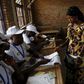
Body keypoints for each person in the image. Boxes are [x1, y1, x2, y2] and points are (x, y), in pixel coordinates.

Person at [55, 6, 84, 84]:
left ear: (76, 16)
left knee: (80, 77)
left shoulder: (83, 27)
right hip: (69, 55)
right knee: (70, 75)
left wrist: (79, 56)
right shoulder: (70, 26)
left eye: (70, 18)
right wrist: (61, 46)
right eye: (68, 18)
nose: (69, 20)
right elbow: (69, 39)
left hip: (80, 57)